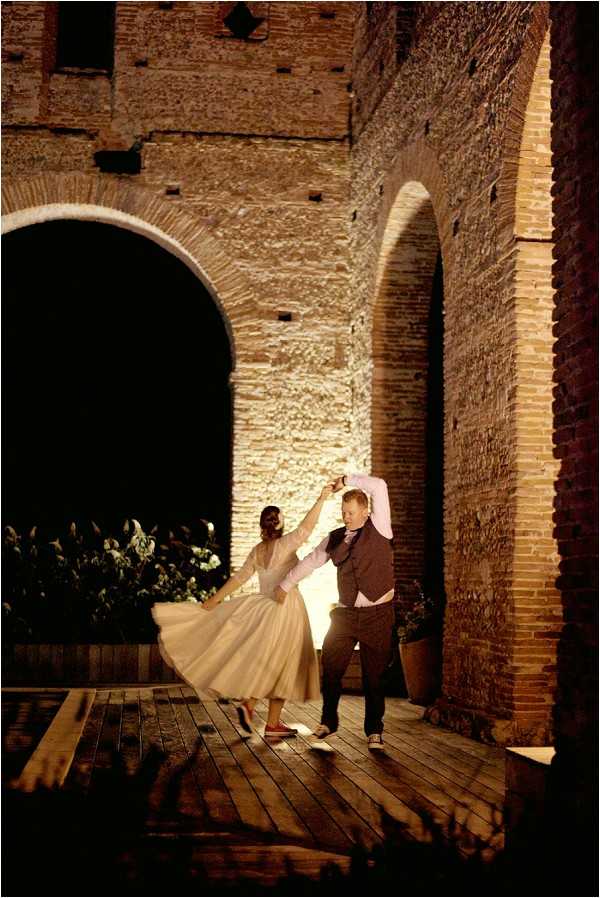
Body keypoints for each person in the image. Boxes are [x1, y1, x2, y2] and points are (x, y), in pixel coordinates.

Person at [151, 483, 333, 739]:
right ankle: (255, 709)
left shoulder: (257, 552)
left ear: (263, 525)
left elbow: (238, 579)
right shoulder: (287, 543)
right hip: (287, 609)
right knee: (285, 665)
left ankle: (267, 720)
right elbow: (307, 527)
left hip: (263, 609)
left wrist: (214, 600)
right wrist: (322, 498)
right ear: (280, 524)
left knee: (274, 664)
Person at [274, 474, 394, 750]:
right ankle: (328, 722)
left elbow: (379, 486)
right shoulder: (336, 537)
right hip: (345, 615)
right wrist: (285, 584)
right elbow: (311, 562)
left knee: (373, 676)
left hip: (378, 614)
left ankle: (374, 730)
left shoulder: (381, 526)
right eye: (343, 513)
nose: (347, 517)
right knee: (331, 668)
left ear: (365, 511)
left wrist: (345, 480)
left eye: (351, 513)